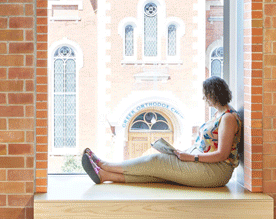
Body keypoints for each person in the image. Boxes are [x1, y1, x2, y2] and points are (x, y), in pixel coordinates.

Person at [81, 76, 242, 188]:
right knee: (160, 172)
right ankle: (105, 176)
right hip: (202, 163)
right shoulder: (218, 114)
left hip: (216, 171)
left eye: (206, 95)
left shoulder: (228, 118)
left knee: (156, 160)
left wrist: (192, 157)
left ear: (214, 94)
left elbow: (222, 154)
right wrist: (182, 153)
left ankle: (105, 164)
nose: (204, 99)